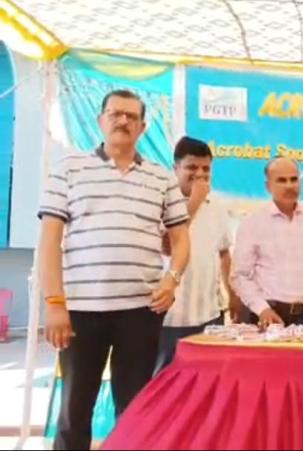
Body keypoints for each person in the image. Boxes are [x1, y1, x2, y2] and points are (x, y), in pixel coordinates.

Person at [38, 89, 190, 450]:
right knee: (74, 411)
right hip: (80, 311)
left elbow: (181, 239)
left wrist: (172, 280)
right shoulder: (69, 169)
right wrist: (55, 303)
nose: (123, 121)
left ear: (142, 127)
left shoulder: (161, 178)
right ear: (101, 120)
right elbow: (49, 242)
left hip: (140, 312)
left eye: (131, 116)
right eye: (115, 113)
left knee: (134, 410)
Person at [154, 137, 238, 374]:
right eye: (192, 167)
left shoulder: (217, 205)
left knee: (205, 382)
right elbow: (168, 247)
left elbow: (224, 253)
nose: (200, 174)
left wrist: (232, 295)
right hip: (168, 318)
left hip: (209, 315)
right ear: (176, 168)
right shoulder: (160, 201)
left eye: (206, 169)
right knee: (163, 381)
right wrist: (194, 202)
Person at [231, 157, 303, 330]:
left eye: (294, 179)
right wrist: (262, 309)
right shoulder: (253, 222)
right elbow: (239, 275)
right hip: (270, 316)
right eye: (281, 180)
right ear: (268, 186)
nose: (289, 186)